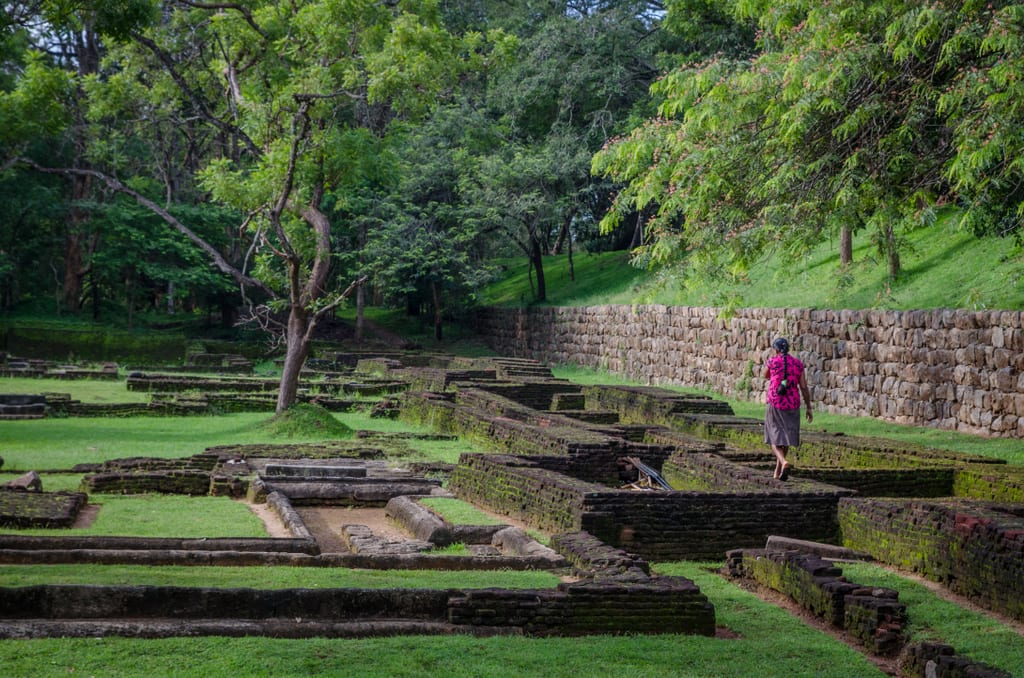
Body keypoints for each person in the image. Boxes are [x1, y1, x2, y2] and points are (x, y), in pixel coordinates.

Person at [763, 337, 812, 480]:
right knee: (786, 437)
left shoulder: (773, 362)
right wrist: (808, 407)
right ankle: (777, 471)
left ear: (776, 349)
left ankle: (783, 462)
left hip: (776, 402)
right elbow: (803, 386)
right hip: (792, 404)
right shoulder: (797, 364)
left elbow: (765, 375)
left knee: (774, 438)